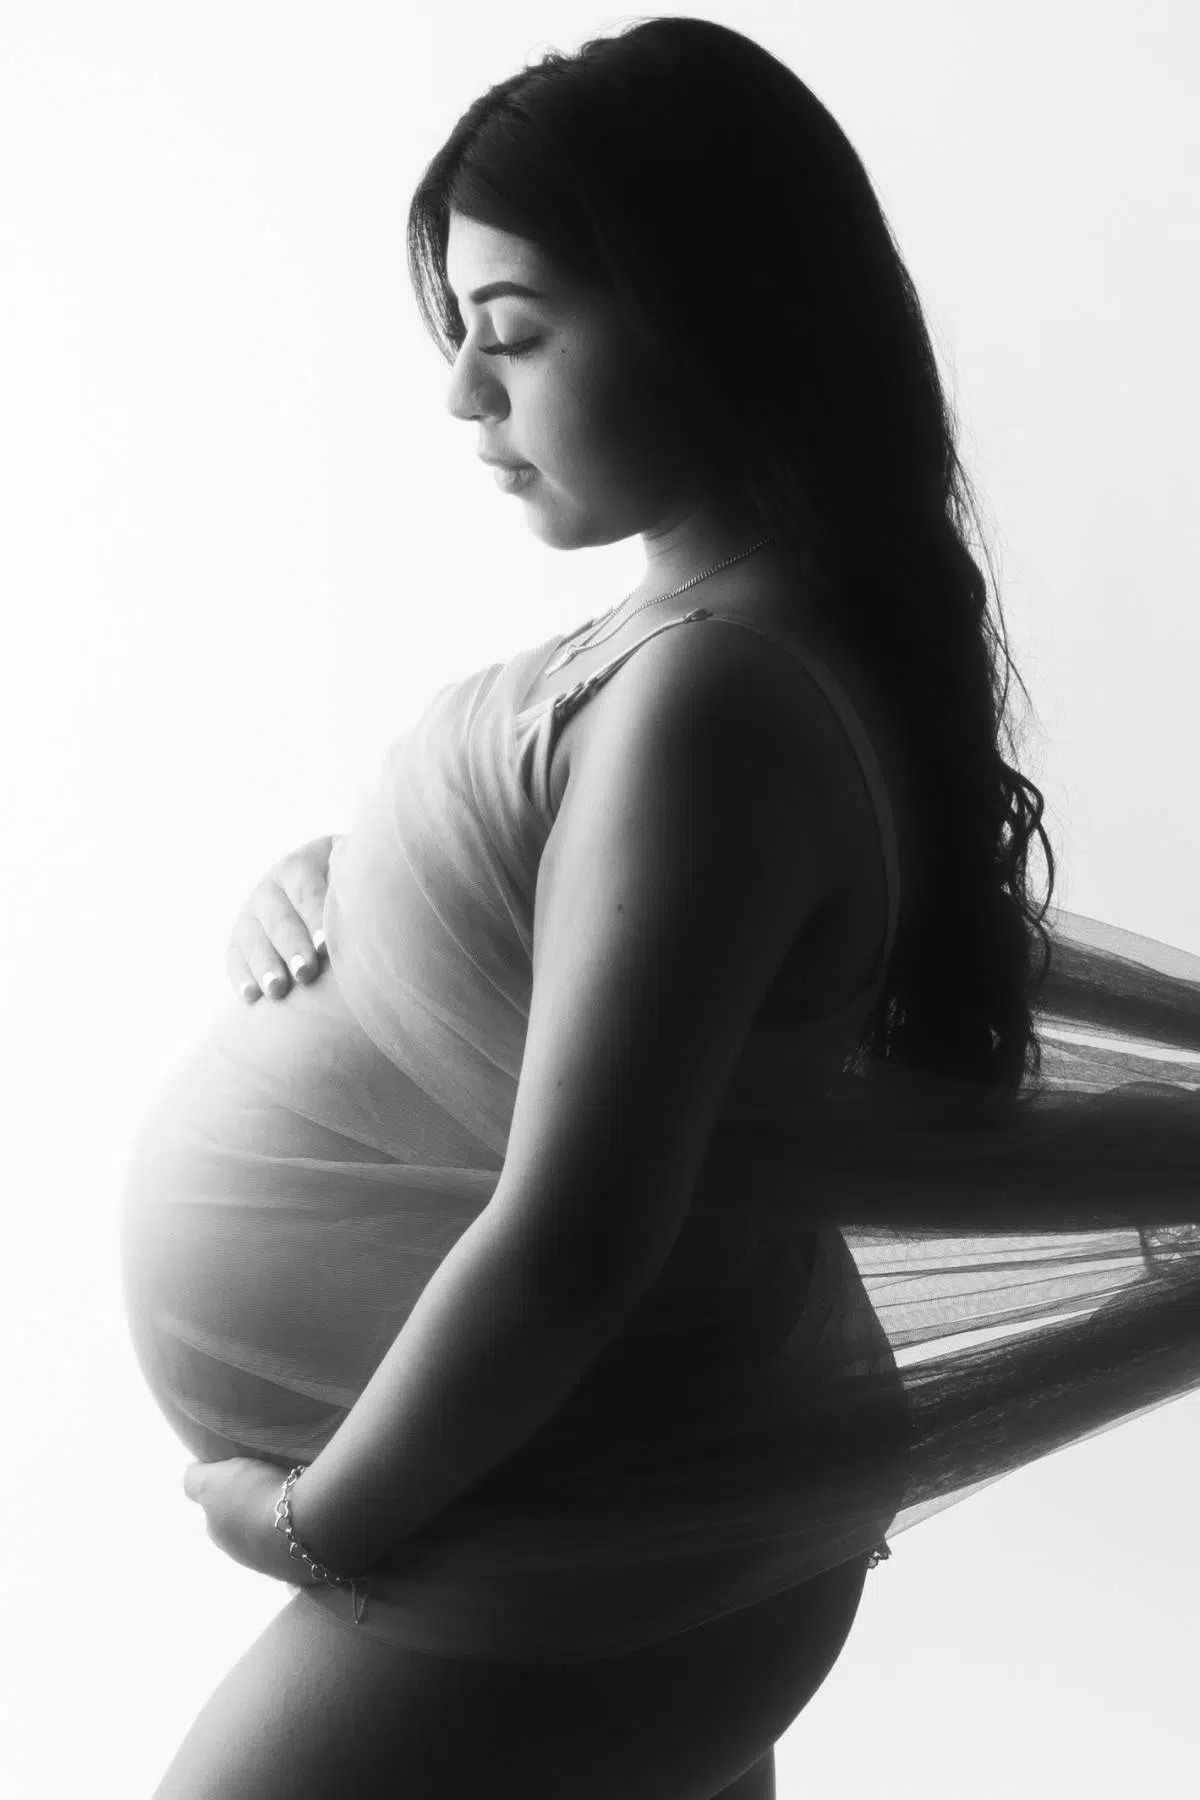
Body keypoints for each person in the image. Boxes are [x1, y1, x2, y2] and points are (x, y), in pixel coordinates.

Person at [120, 17, 1200, 1798]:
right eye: (458, 333)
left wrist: (313, 1523)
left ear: (715, 318)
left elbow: (579, 1240)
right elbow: (598, 967)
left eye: (515, 331)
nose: (464, 394)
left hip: (582, 1525)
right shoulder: (706, 654)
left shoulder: (716, 697)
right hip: (597, 1509)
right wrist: (354, 897)